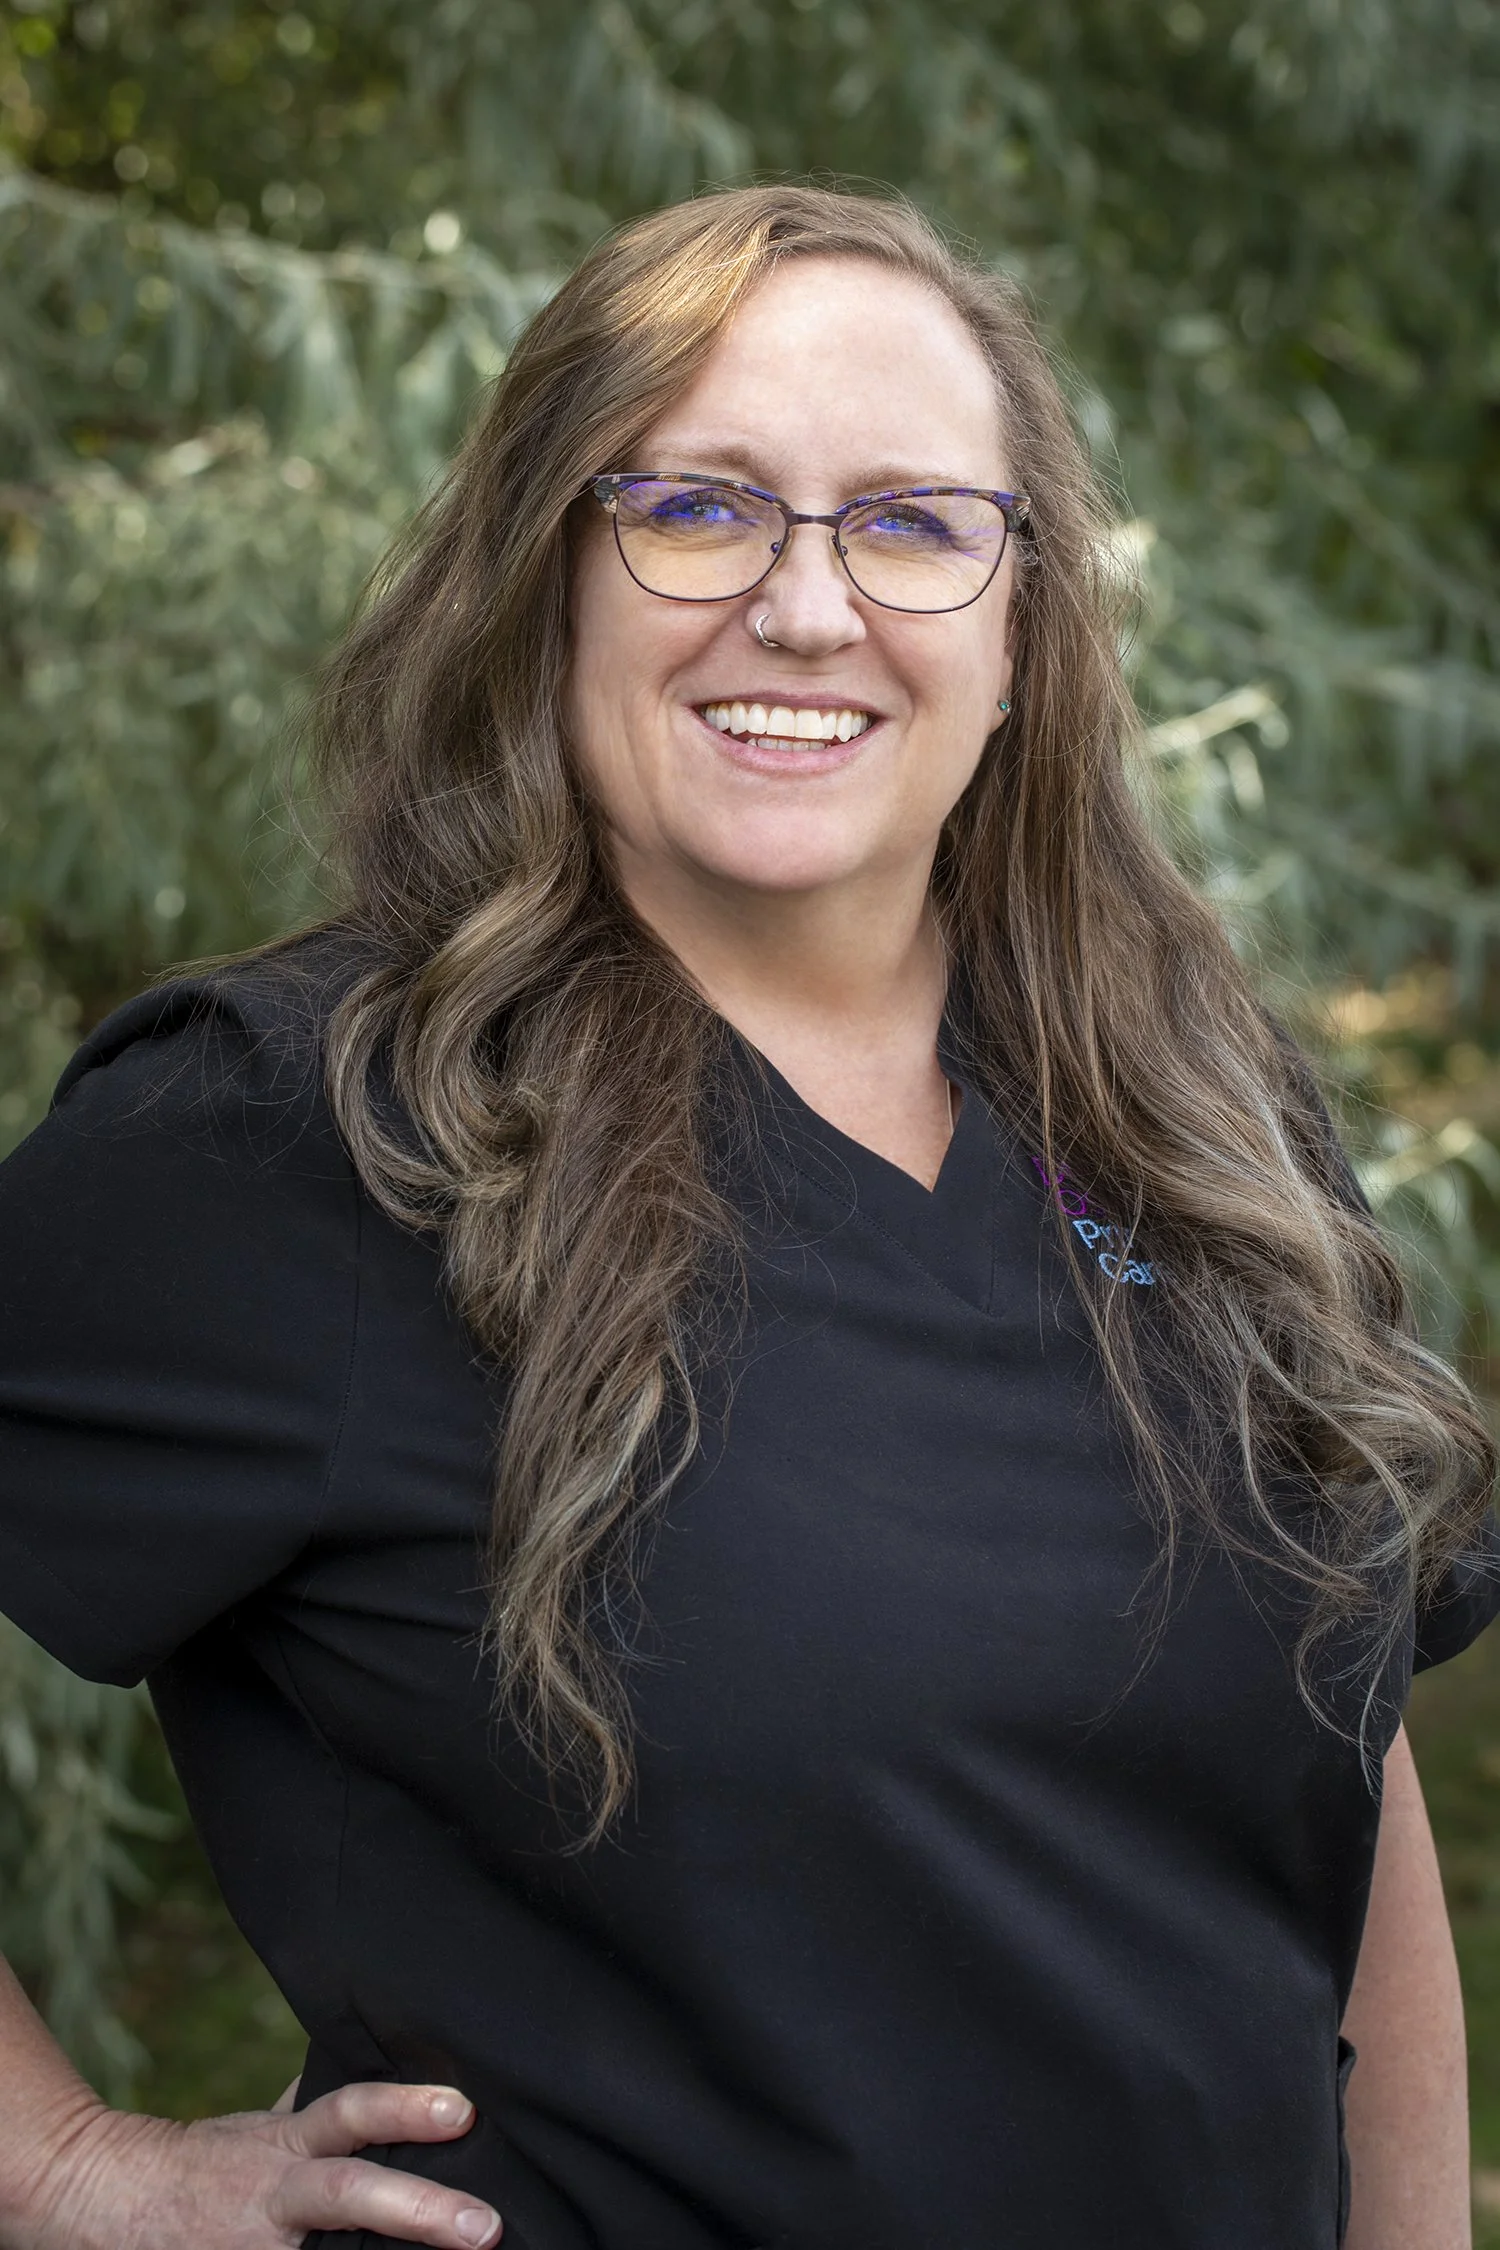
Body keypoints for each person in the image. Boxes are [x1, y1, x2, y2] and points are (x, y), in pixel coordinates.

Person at [0, 182, 1493, 2250]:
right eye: (698, 508)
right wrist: (62, 2164)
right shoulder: (298, 1137)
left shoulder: (1199, 1120)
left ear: (1021, 623)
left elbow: (1342, 1815)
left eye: (909, 522)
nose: (805, 607)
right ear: (546, 575)